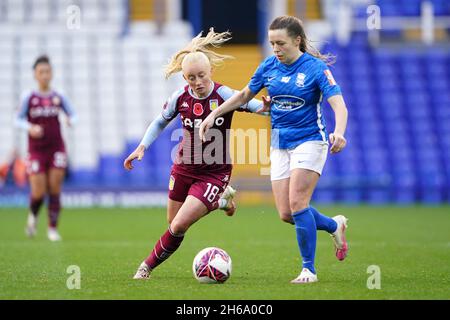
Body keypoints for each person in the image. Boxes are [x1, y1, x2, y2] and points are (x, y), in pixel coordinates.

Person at [199, 16, 349, 284]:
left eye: (280, 43)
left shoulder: (315, 68)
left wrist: (339, 131)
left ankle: (308, 270)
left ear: (297, 41)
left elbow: (339, 104)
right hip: (280, 144)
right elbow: (245, 95)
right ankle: (333, 225)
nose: (275, 49)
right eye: (271, 43)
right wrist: (215, 114)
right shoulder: (268, 66)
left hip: (311, 140)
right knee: (286, 213)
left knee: (298, 203)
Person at [124, 28, 268, 280]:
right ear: (184, 77)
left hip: (214, 172)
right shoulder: (180, 96)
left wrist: (265, 107)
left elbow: (253, 105)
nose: (198, 82)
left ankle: (145, 267)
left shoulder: (223, 94)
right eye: (191, 78)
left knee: (179, 224)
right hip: (183, 167)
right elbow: (160, 121)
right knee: (173, 225)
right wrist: (142, 146)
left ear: (211, 70)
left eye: (201, 75)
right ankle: (223, 201)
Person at [15, 55, 76, 241]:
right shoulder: (29, 97)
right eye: (41, 72)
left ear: (52, 74)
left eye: (48, 71)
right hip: (36, 151)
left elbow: (73, 115)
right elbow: (16, 119)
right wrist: (29, 127)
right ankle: (33, 217)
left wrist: (69, 120)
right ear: (35, 74)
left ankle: (52, 228)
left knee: (55, 188)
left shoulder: (58, 96)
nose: (45, 75)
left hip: (56, 148)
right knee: (39, 192)